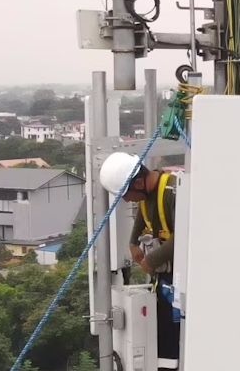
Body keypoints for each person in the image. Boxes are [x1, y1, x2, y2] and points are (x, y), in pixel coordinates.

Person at [100, 152, 180, 370]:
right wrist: (133, 241)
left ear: (138, 182)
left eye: (127, 195)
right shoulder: (146, 194)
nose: (128, 200)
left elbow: (184, 234)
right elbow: (142, 214)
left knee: (174, 338)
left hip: (180, 281)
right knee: (162, 336)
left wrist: (151, 261)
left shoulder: (173, 191)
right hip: (165, 280)